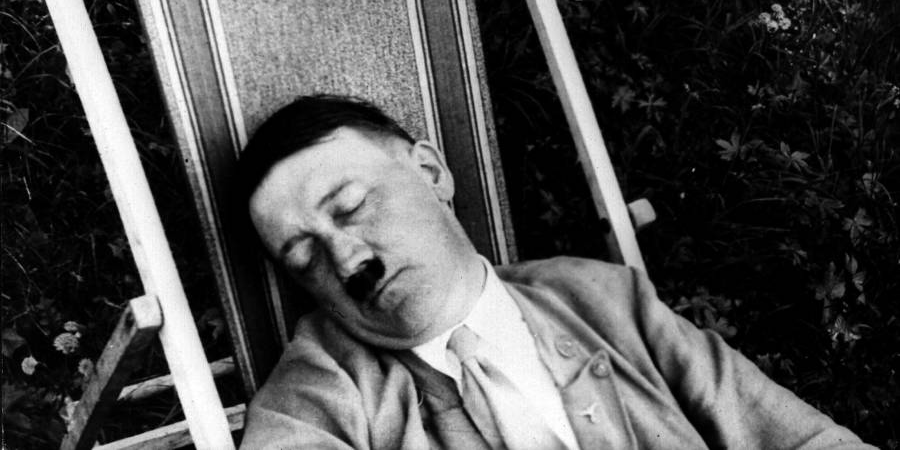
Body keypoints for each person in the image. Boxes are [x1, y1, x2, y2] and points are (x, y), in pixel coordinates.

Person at [237, 94, 873, 449]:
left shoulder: (602, 298)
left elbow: (798, 438)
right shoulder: (321, 389)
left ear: (430, 173)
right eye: (305, 259)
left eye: (352, 207)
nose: (347, 260)